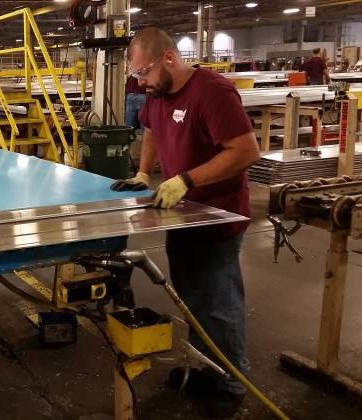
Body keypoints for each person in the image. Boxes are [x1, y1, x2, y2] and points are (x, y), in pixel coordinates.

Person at [110, 27, 260, 418]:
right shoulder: (157, 95)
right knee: (192, 299)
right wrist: (145, 173)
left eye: (143, 73)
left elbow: (245, 150)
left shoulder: (213, 92)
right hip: (182, 215)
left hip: (217, 215)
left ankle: (230, 380)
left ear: (169, 59)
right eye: (136, 75)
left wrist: (187, 179)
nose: (140, 82)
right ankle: (207, 369)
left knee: (218, 303)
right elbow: (151, 130)